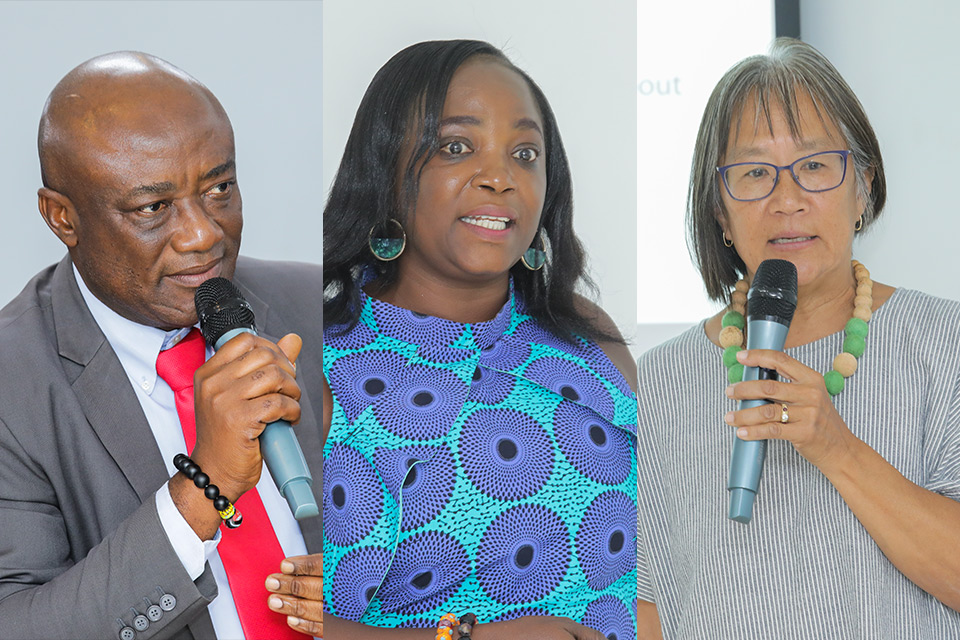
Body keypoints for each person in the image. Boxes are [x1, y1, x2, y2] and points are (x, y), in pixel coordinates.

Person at [635, 38, 960, 639]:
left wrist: (835, 447)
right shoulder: (653, 383)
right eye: (755, 173)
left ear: (862, 186)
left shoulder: (947, 345)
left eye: (813, 166)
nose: (787, 200)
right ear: (719, 211)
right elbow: (649, 608)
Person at [315, 40, 638, 639]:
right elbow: (280, 616)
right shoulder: (322, 363)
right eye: (456, 147)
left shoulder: (589, 337)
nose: (500, 178)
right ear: (386, 173)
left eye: (525, 153)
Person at [0, 52, 325, 639]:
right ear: (61, 218)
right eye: (153, 207)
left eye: (219, 188)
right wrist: (204, 487)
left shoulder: (323, 306)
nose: (202, 234)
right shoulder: (11, 386)